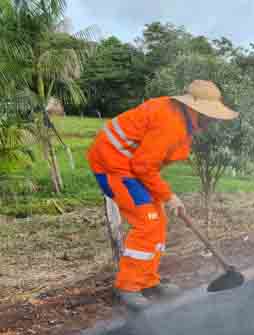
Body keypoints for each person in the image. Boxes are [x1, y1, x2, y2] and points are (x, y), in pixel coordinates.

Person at [87, 80, 239, 311]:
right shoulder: (171, 123)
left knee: (157, 222)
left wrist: (164, 196)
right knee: (147, 222)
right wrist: (170, 196)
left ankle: (147, 280)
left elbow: (147, 163)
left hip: (132, 164)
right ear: (194, 109)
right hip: (114, 165)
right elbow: (143, 166)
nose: (212, 122)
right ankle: (127, 286)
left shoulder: (181, 119)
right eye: (210, 116)